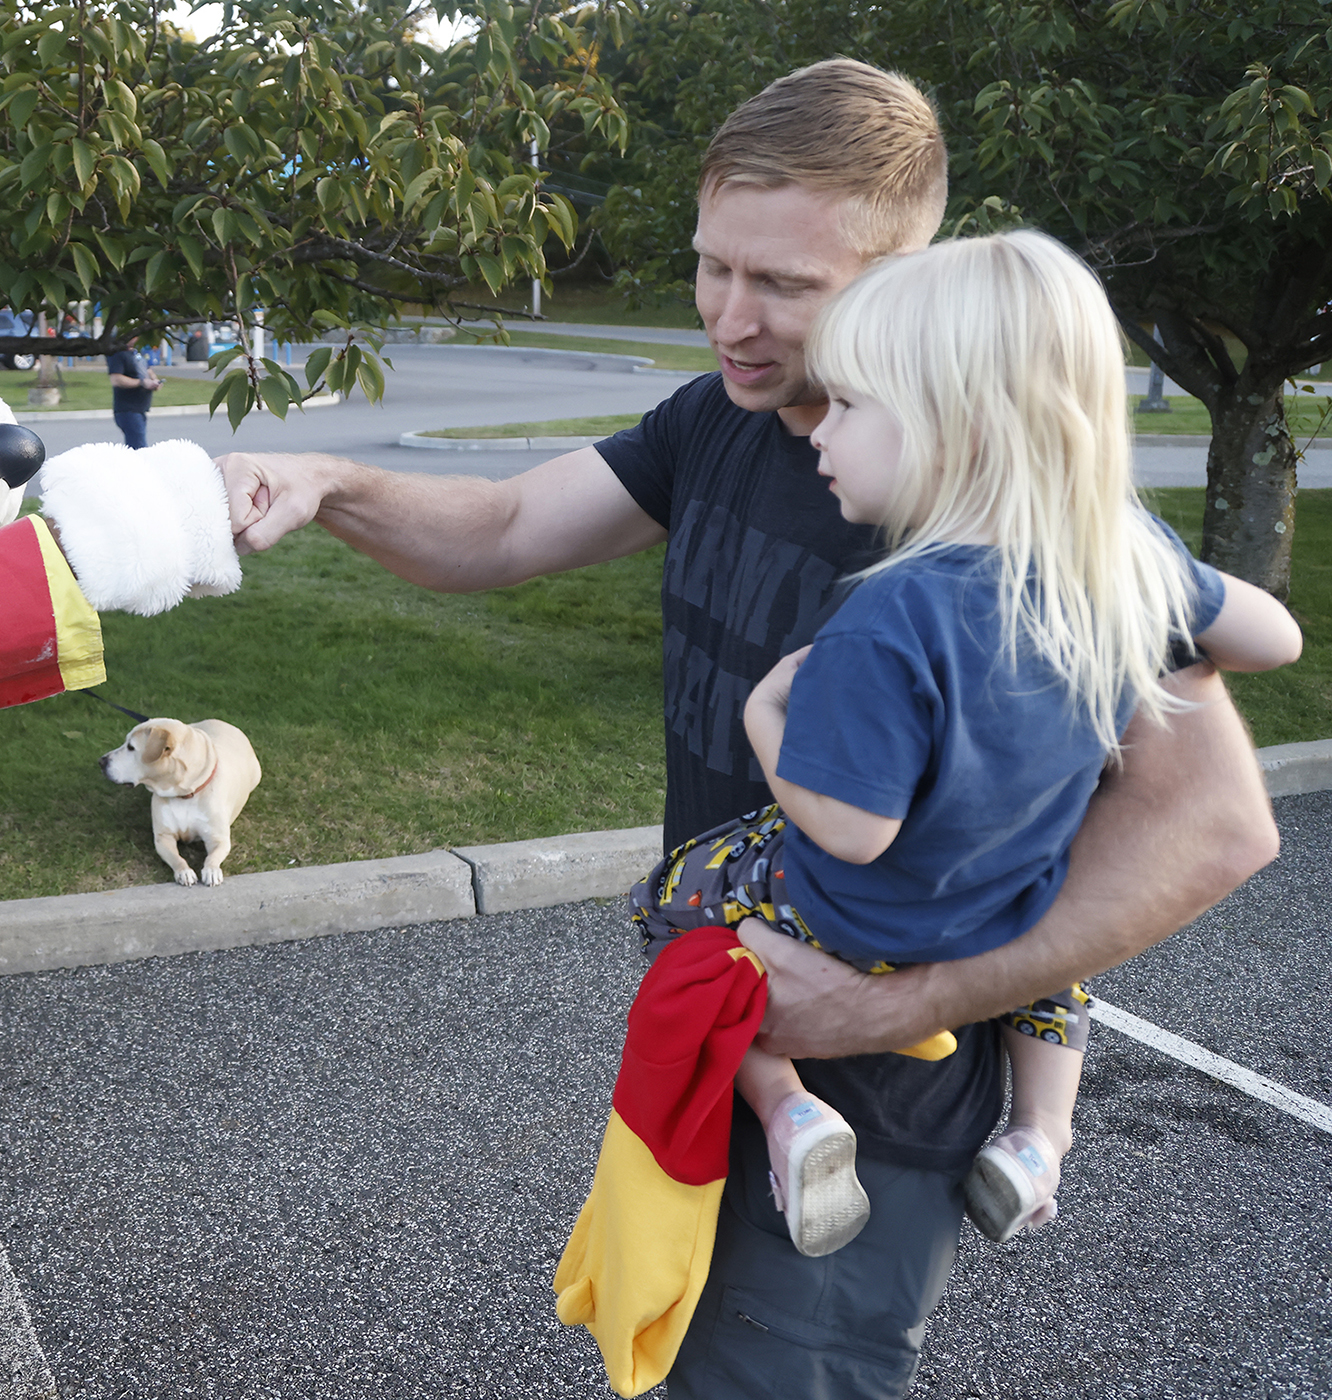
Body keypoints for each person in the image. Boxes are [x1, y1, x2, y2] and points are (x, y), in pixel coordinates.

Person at [218, 57, 1279, 1397]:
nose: (730, 315)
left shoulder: (1005, 503)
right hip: (731, 1036)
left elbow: (1218, 825)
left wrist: (915, 998)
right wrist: (325, 480)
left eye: (783, 285)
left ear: (907, 276)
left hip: (883, 1107)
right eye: (714, 265)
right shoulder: (726, 418)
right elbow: (497, 529)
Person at [628, 229, 1300, 1263]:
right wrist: (1170, 594)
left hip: (854, 916)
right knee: (1059, 972)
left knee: (675, 906)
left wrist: (768, 720)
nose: (821, 434)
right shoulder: (1121, 567)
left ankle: (790, 1111)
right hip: (1004, 908)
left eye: (849, 407)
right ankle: (1039, 1137)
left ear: (951, 427)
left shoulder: (886, 617)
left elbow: (851, 830)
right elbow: (1275, 638)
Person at [106, 334, 163, 448]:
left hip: (140, 409)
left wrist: (154, 381)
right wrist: (141, 382)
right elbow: (116, 379)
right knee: (139, 448)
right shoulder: (118, 354)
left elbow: (147, 369)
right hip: (128, 409)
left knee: (137, 445)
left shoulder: (136, 353)